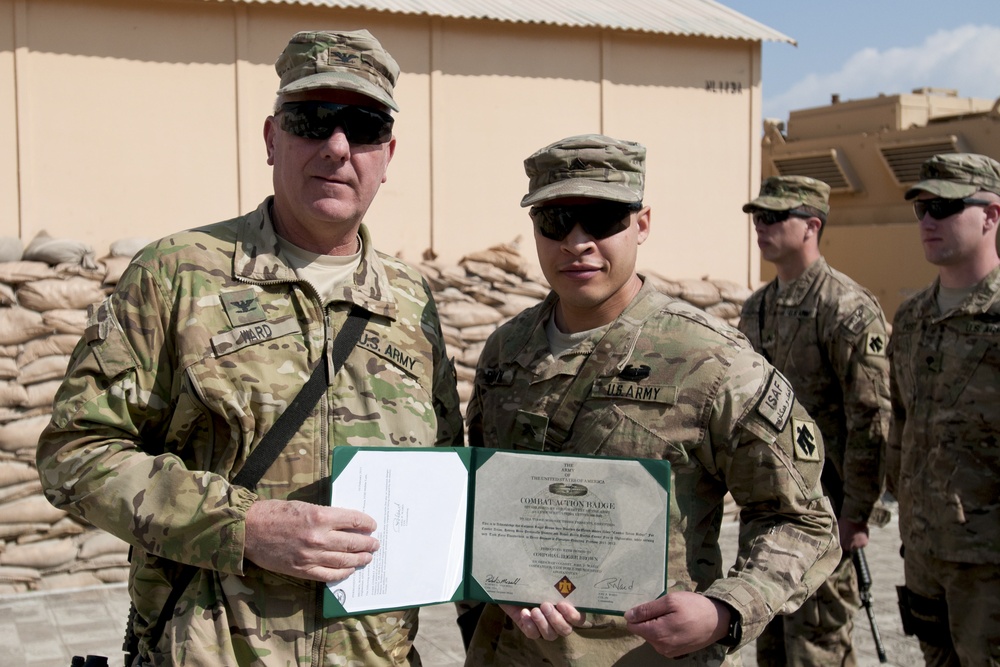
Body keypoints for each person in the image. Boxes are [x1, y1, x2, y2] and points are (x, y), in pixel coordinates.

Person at [36, 29, 463, 665]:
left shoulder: (409, 302)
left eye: (364, 126)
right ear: (272, 138)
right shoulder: (177, 274)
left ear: (388, 152)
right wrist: (241, 527)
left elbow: (446, 475)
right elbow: (74, 455)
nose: (337, 147)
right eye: (311, 120)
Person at [463, 134, 840, 666]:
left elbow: (802, 519)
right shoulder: (507, 349)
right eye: (556, 221)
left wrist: (726, 611)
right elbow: (480, 492)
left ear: (641, 224)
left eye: (602, 219)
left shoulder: (710, 359)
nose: (577, 242)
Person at [737, 175, 892, 666]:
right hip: (768, 511)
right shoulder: (757, 309)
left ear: (811, 226)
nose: (761, 227)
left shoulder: (845, 306)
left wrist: (858, 512)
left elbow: (871, 417)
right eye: (757, 217)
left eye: (774, 217)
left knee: (818, 649)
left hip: (827, 514)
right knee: (774, 647)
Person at [887, 152, 1000, 666]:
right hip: (925, 551)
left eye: (947, 206)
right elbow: (902, 425)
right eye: (922, 208)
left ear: (991, 215)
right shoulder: (911, 317)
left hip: (989, 564)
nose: (929, 221)